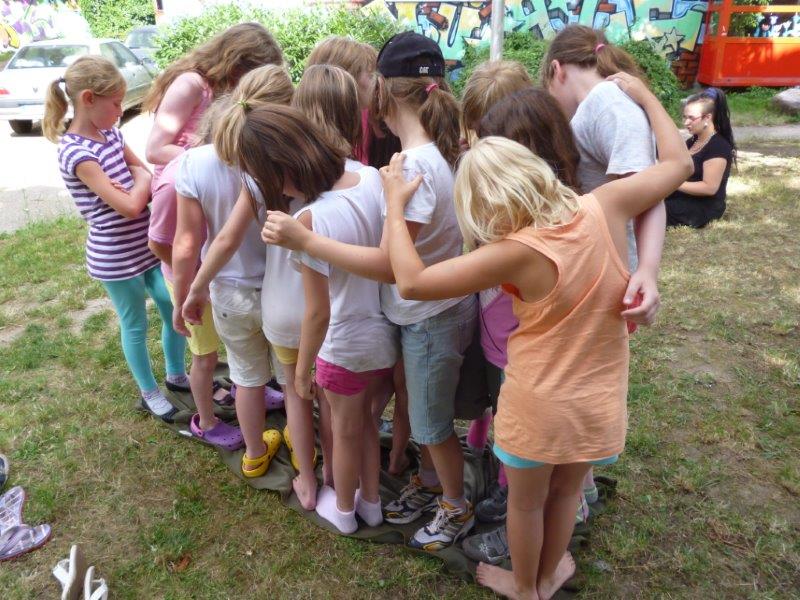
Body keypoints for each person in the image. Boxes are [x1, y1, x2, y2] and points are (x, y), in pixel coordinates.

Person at [381, 72, 692, 600]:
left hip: (538, 406)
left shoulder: (515, 252)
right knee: (567, 494)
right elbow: (679, 165)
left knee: (526, 504)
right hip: (599, 398)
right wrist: (643, 94)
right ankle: (549, 576)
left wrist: (395, 204)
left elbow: (411, 281)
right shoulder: (605, 204)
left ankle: (525, 586)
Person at [262, 31, 477, 550]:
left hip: (429, 314)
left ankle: (454, 504)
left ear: (380, 90)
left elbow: (387, 265)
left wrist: (307, 240)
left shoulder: (416, 164)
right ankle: (430, 483)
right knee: (422, 417)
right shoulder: (421, 154)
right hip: (421, 313)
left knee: (430, 423)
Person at [461, 86, 584, 568]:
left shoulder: (532, 237)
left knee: (533, 481)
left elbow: (415, 282)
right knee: (527, 454)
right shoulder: (556, 212)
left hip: (532, 369)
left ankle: (521, 538)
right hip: (512, 353)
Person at [542, 24, 665, 508]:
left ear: (557, 69)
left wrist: (646, 270)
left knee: (582, 382)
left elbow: (648, 194)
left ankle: (572, 497)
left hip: (608, 276)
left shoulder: (607, 105)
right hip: (596, 268)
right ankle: (581, 484)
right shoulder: (602, 105)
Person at [143, 23, 283, 416]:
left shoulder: (223, 97)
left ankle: (249, 384)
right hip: (186, 192)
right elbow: (155, 149)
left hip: (208, 186)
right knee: (205, 343)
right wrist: (212, 156)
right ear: (238, 65)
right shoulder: (192, 85)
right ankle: (210, 411)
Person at [43, 56, 187, 422]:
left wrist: (140, 180)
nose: (122, 111)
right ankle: (149, 392)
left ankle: (176, 374)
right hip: (115, 258)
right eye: (116, 103)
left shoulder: (111, 134)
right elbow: (131, 205)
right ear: (88, 99)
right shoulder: (77, 152)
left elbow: (145, 173)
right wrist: (140, 182)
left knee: (172, 305)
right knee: (134, 323)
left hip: (147, 245)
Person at [171, 66, 294, 468]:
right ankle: (301, 446)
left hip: (228, 292)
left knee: (246, 377)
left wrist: (185, 295)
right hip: (282, 289)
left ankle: (255, 455)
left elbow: (186, 244)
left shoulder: (193, 163)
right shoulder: (285, 159)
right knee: (291, 378)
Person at [305, 44, 411, 477]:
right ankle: (362, 491)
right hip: (375, 323)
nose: (376, 82)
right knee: (358, 420)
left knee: (346, 423)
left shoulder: (311, 212)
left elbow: (318, 309)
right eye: (369, 74)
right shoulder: (367, 176)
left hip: (344, 336)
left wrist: (306, 241)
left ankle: (339, 491)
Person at [666, 88, 736, 228]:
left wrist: (674, 184)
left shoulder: (718, 146)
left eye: (691, 118)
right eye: (684, 117)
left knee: (651, 210)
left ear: (707, 118)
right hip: (682, 197)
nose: (686, 123)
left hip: (703, 207)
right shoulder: (692, 141)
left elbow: (709, 188)